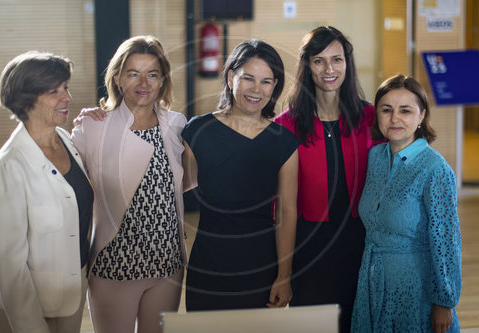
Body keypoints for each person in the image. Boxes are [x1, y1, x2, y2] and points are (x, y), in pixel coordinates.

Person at [71, 36, 187, 333]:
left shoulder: (177, 125)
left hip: (167, 265)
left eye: (152, 74)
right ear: (118, 78)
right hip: (114, 266)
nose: (143, 83)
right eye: (133, 73)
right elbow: (72, 194)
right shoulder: (92, 127)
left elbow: (183, 182)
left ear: (163, 81)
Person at [182, 39, 299, 310]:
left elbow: (286, 212)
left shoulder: (284, 142)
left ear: (275, 87)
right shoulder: (198, 131)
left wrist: (284, 276)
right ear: (231, 77)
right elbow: (177, 185)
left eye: (267, 81)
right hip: (208, 262)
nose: (256, 89)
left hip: (261, 263)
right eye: (248, 78)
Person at [274, 26, 376, 332]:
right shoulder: (286, 126)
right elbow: (283, 209)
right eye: (319, 60)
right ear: (306, 66)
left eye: (337, 59)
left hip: (362, 247)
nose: (329, 69)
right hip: (310, 251)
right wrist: (283, 273)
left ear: (348, 63)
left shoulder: (371, 119)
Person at [0, 51, 93, 332]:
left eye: (66, 88)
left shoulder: (66, 140)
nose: (67, 97)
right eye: (54, 91)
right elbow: (11, 267)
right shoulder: (11, 165)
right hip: (28, 305)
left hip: (71, 291)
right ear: (27, 99)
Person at [351, 74, 461, 333]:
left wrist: (444, 302)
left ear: (421, 116)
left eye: (405, 110)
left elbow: (446, 241)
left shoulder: (435, 169)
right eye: (386, 110)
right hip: (372, 280)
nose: (394, 119)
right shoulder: (375, 156)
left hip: (415, 286)